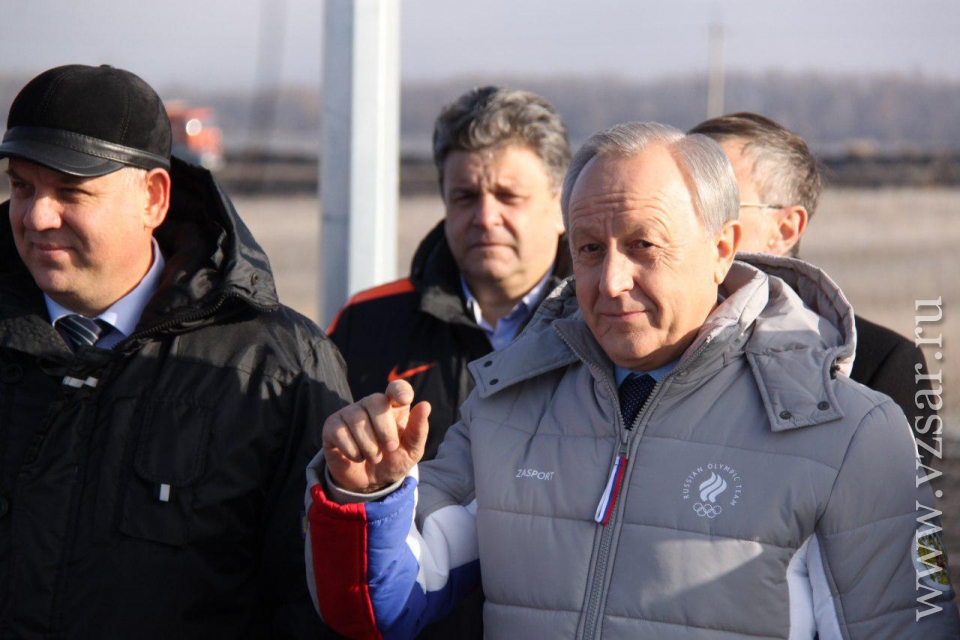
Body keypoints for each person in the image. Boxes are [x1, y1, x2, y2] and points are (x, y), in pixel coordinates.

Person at [305, 122, 958, 638]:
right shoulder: (506, 406)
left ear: (722, 247)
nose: (611, 282)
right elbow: (381, 606)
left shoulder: (849, 431)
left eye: (644, 245)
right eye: (590, 249)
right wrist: (367, 494)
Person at [0, 64, 351, 639]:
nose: (38, 216)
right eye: (22, 187)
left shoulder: (278, 366)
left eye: (71, 191)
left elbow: (311, 600)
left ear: (153, 198)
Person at [689, 112, 939, 458]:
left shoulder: (880, 363)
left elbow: (894, 492)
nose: (688, 222)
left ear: (785, 229)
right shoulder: (634, 340)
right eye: (680, 203)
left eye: (716, 203)